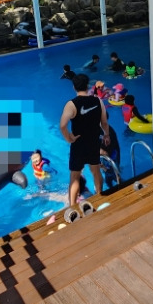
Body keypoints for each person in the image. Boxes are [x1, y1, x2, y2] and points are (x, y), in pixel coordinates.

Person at [59, 74, 108, 206]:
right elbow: (104, 122)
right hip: (93, 142)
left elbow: (62, 125)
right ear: (87, 86)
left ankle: (72, 206)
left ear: (74, 87)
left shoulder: (71, 104)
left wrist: (68, 138)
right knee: (96, 171)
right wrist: (107, 135)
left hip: (78, 143)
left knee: (75, 176)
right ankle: (99, 197)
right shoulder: (98, 101)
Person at [99, 112, 121, 188]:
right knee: (108, 178)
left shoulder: (110, 132)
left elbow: (109, 151)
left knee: (112, 177)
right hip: (105, 158)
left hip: (110, 158)